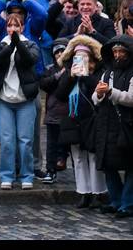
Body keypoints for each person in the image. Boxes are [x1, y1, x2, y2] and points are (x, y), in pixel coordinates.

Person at [42, 35, 103, 207]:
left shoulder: (97, 71)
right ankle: (83, 192)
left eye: (83, 56)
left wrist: (85, 76)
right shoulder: (70, 72)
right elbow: (60, 94)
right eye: (77, 56)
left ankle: (97, 193)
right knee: (78, 158)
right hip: (73, 119)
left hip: (91, 119)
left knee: (92, 156)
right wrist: (71, 77)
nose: (80, 59)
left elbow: (97, 91)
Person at [0, 11, 41, 189]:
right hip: (4, 99)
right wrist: (10, 46)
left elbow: (30, 60)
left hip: (25, 99)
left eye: (16, 25)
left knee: (25, 141)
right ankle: (7, 175)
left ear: (22, 27)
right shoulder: (1, 45)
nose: (12, 29)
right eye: (9, 25)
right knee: (7, 141)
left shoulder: (31, 44)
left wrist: (18, 43)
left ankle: (27, 175)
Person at [90, 35, 133, 215]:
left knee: (131, 166)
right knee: (108, 164)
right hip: (107, 124)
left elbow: (131, 99)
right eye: (115, 51)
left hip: (127, 125)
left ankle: (127, 204)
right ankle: (115, 200)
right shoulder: (107, 72)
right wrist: (100, 95)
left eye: (121, 51)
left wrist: (110, 92)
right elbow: (95, 97)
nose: (117, 55)